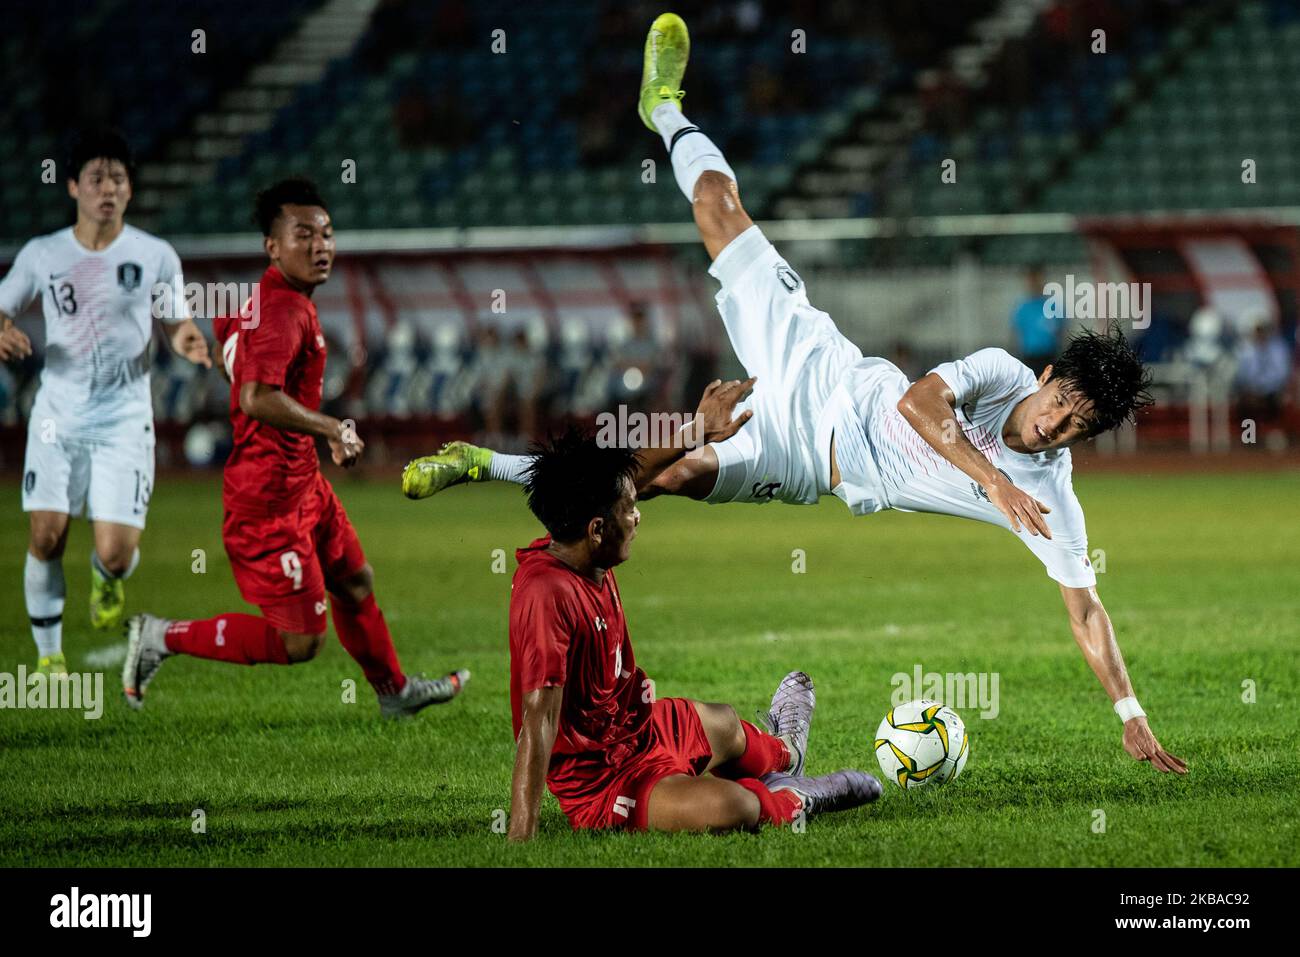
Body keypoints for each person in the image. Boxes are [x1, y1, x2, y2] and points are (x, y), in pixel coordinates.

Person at [400, 13, 1186, 775]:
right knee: (719, 208)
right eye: (1062, 404)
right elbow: (919, 404)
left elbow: (1085, 609)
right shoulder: (1000, 372)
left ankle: (488, 463)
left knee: (657, 479)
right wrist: (992, 482)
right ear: (1047, 377)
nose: (1054, 427)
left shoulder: (1055, 499)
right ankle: (665, 108)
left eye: (1075, 429)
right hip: (820, 366)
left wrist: (1131, 713)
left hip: (807, 461)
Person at [121, 177, 468, 718]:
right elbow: (258, 396)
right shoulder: (284, 310)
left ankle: (395, 693)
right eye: (303, 235)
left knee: (355, 582)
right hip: (268, 500)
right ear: (272, 247)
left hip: (303, 483)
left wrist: (222, 362)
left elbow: (230, 355)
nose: (320, 246)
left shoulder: (259, 301)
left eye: (326, 233)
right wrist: (331, 428)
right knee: (300, 642)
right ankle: (161, 636)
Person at [507, 406, 881, 840]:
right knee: (732, 807)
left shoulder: (582, 541)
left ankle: (786, 756)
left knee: (724, 722)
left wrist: (696, 432)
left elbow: (628, 480)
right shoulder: (547, 595)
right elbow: (539, 717)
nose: (638, 515)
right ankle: (798, 797)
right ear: (596, 529)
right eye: (630, 510)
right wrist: (522, 836)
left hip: (641, 728)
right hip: (605, 780)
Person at [0, 128, 211, 674]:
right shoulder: (43, 254)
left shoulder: (155, 255)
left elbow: (176, 322)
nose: (108, 188)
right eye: (96, 178)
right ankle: (49, 660)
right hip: (57, 417)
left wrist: (191, 343)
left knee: (117, 553)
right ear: (72, 187)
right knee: (46, 536)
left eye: (118, 178)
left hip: (124, 420)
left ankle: (106, 576)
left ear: (130, 189)